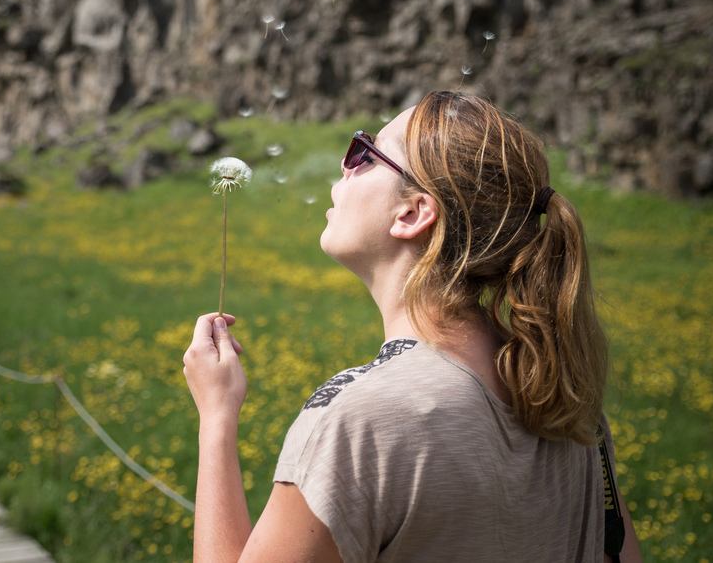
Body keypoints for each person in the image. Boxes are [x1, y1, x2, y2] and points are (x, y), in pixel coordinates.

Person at [183, 91, 643, 562]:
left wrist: (217, 419)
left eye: (365, 152)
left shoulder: (361, 421)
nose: (346, 166)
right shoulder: (561, 398)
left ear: (413, 213)